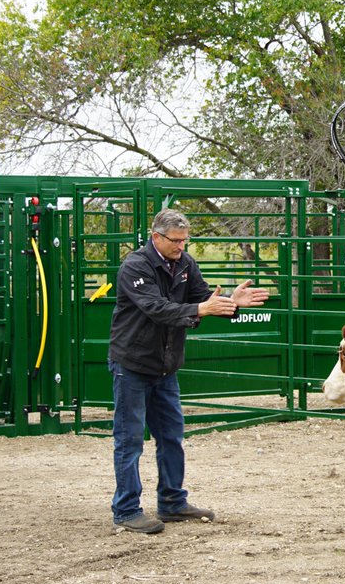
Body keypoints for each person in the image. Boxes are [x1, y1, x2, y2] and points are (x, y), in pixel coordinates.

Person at [108, 209, 270, 534]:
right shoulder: (136, 266)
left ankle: (172, 502)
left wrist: (230, 301)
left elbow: (202, 298)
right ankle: (126, 509)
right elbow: (157, 308)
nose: (181, 246)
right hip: (133, 364)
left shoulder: (184, 263)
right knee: (129, 440)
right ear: (156, 237)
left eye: (185, 240)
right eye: (175, 241)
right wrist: (202, 308)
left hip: (166, 367)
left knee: (172, 436)